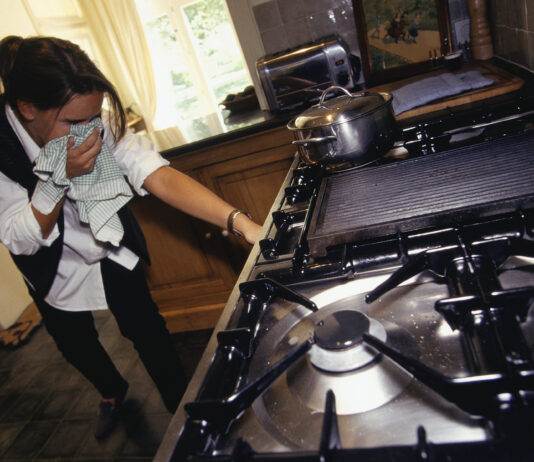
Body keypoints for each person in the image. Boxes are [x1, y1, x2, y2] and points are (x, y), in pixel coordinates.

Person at [0, 35, 261, 439]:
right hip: (50, 261)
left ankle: (183, 416)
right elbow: (21, 239)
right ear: (28, 109)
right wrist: (57, 177)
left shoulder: (85, 117)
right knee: (76, 345)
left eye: (95, 117)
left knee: (148, 330)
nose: (90, 132)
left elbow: (157, 174)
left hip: (106, 240)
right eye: (74, 123)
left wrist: (240, 222)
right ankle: (111, 391)